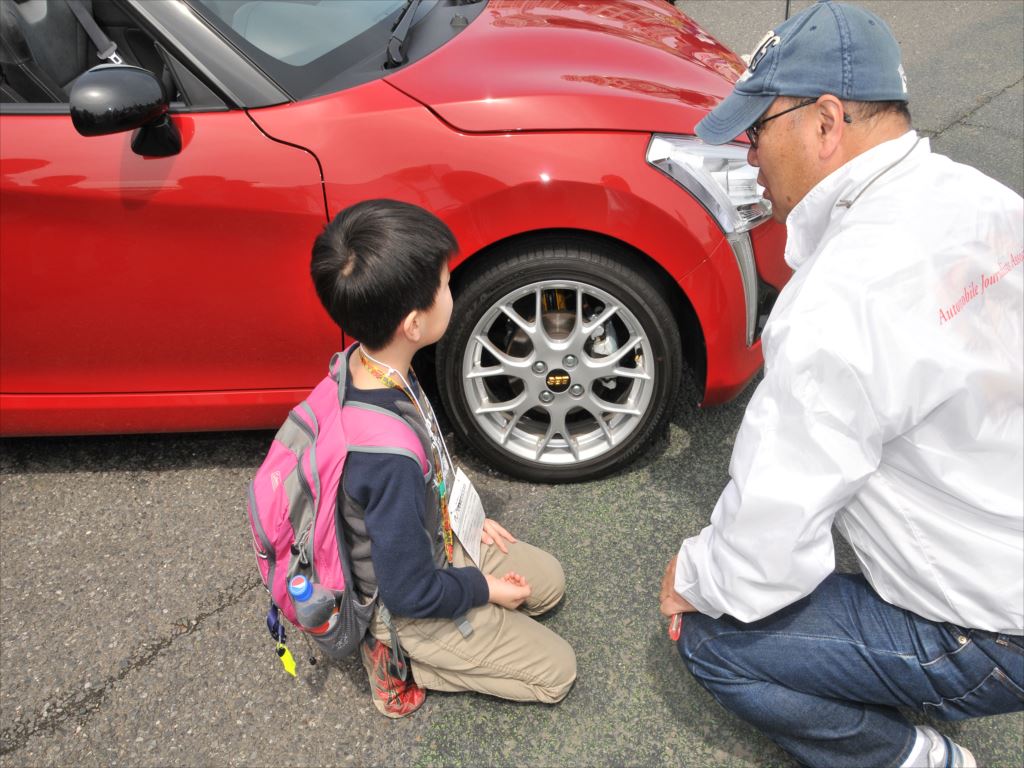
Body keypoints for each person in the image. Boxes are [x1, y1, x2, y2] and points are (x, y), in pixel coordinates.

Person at [657, 2, 1024, 766]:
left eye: (757, 129)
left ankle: (917, 757)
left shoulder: (841, 295)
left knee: (716, 638)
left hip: (999, 628)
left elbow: (767, 543)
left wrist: (692, 573)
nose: (749, 153)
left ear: (826, 123)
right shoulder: (982, 198)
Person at [310, 199, 576, 718]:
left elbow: (428, 454)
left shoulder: (370, 365)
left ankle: (464, 616)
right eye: (447, 284)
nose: (452, 291)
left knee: (549, 584)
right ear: (413, 323)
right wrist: (487, 589)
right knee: (557, 673)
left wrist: (462, 514)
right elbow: (410, 590)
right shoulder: (388, 462)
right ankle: (399, 658)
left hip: (431, 539)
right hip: (406, 603)